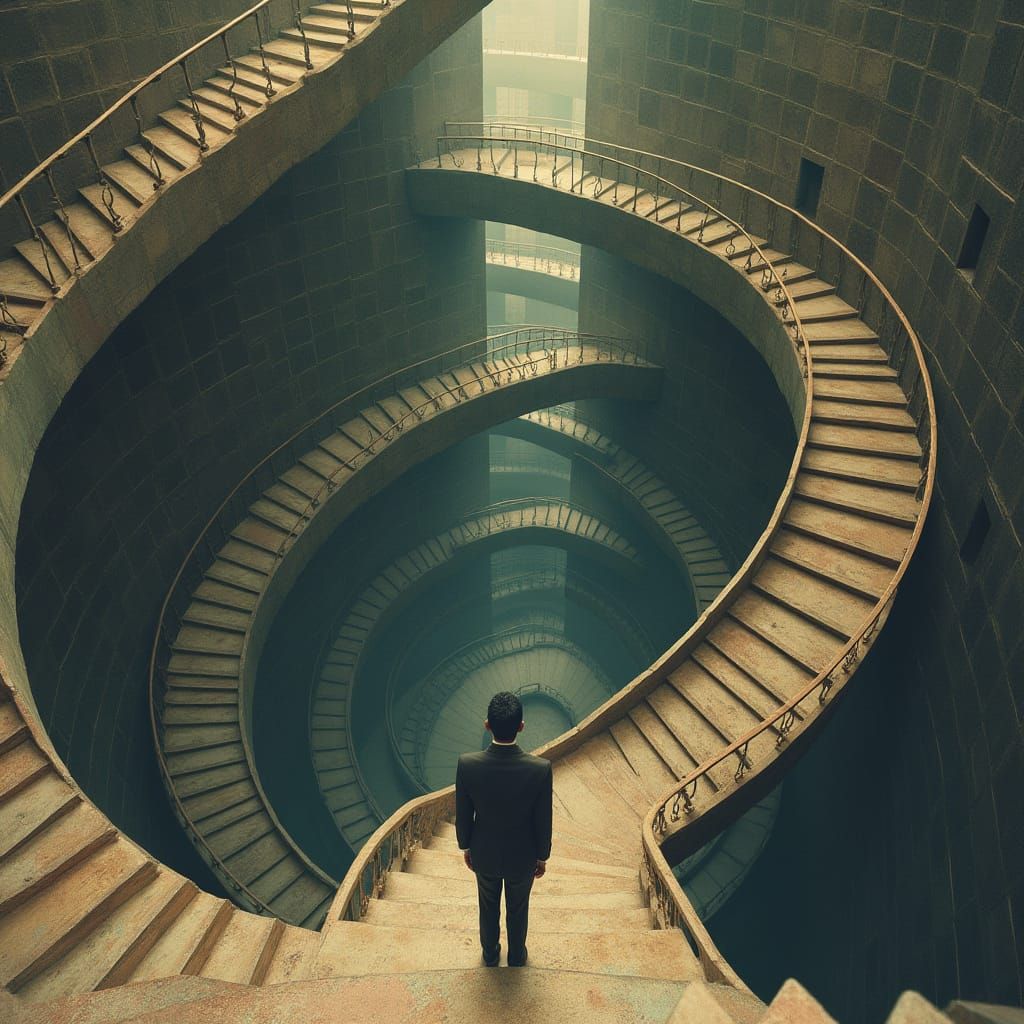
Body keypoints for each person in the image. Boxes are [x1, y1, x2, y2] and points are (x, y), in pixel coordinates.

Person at [455, 690, 553, 967]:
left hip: (483, 853)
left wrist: (466, 847)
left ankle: (489, 954)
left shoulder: (467, 765)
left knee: (487, 907)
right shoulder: (540, 769)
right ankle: (516, 956)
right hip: (523, 857)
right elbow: (543, 819)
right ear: (521, 727)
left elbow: (463, 816)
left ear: (487, 724)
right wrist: (542, 856)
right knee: (518, 909)